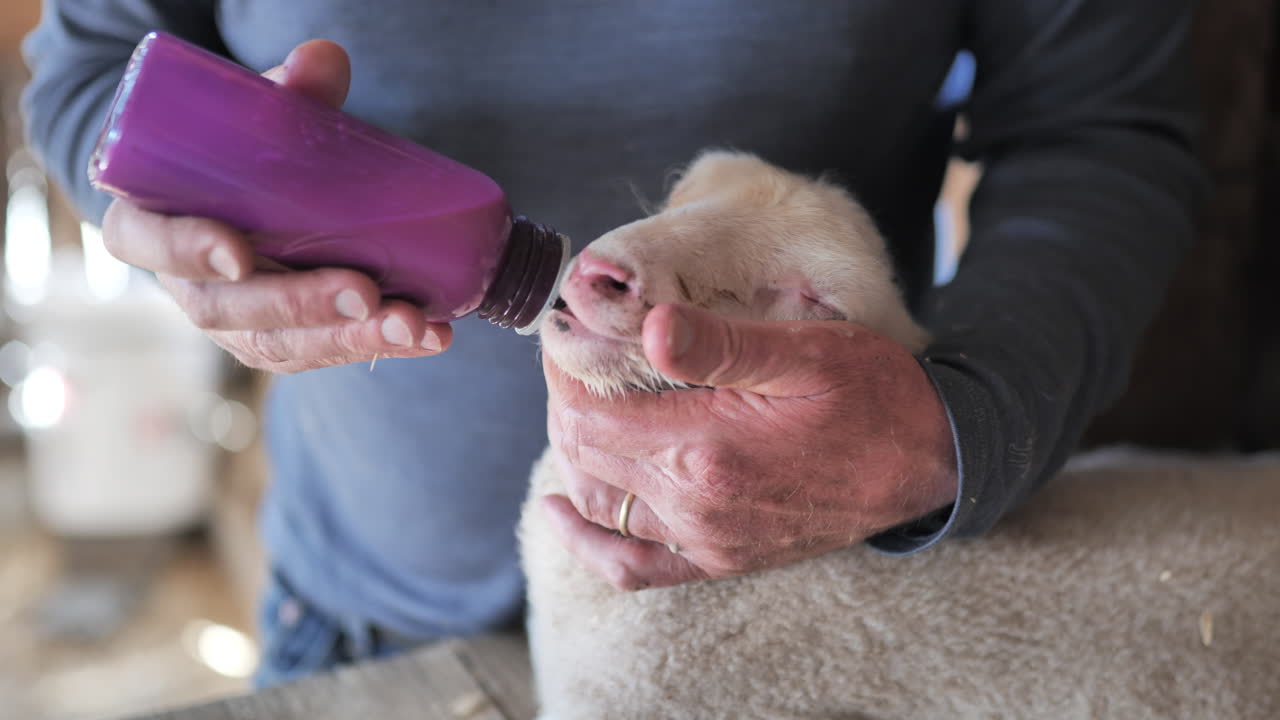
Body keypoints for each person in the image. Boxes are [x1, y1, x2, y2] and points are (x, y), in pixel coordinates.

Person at [23, 0, 1204, 687]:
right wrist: (178, 229)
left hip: (797, 617)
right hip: (368, 615)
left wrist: (958, 426)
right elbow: (91, 72)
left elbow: (1097, 124)